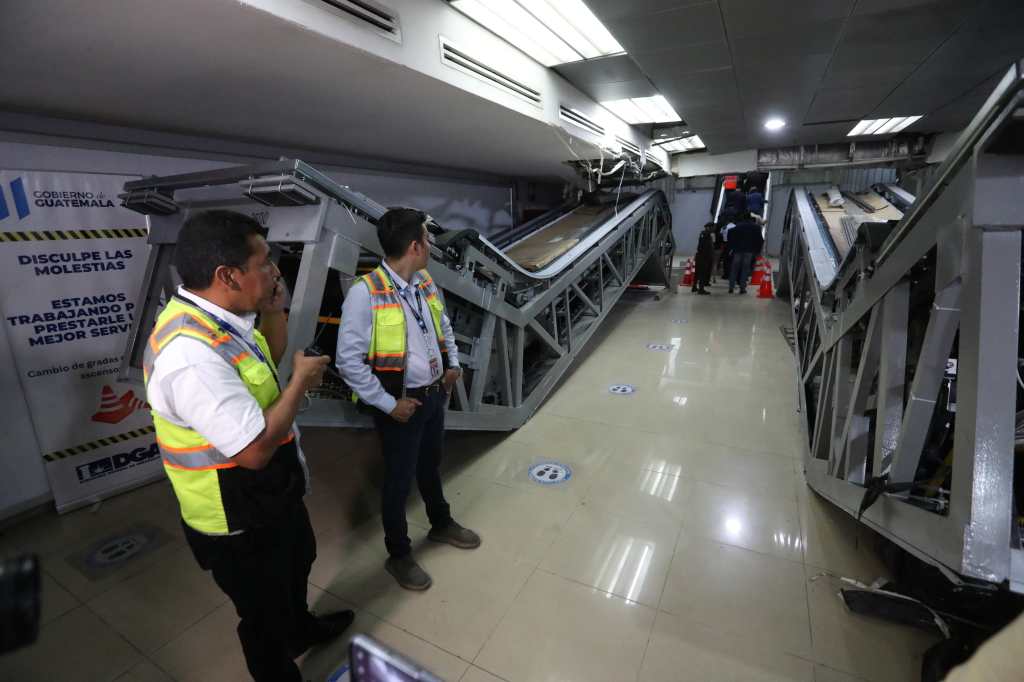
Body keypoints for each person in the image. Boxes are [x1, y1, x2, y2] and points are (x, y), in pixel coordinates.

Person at [144, 210, 353, 682]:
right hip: (235, 513)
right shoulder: (190, 355)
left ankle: (301, 630)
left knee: (299, 560)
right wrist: (300, 383)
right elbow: (254, 451)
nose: (275, 271)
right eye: (264, 263)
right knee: (262, 614)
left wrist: (274, 310)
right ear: (227, 275)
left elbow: (265, 362)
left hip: (268, 495)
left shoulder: (222, 320)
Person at [337, 207, 481, 591]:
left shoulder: (424, 281)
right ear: (415, 245)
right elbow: (348, 362)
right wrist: (388, 405)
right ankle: (399, 555)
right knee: (398, 482)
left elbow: (442, 323)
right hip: (401, 406)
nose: (431, 245)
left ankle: (441, 523)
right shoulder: (363, 294)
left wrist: (452, 363)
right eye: (427, 239)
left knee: (431, 465)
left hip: (434, 395)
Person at [727, 212, 764, 294]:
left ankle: (731, 287)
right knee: (745, 270)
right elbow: (760, 240)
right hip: (749, 251)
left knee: (734, 269)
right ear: (750, 218)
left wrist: (732, 245)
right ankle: (742, 288)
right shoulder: (756, 227)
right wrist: (757, 250)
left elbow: (730, 232)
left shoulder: (738, 226)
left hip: (738, 250)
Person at [692, 222, 714, 294]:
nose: (713, 229)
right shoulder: (707, 235)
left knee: (697, 272)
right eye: (712, 227)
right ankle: (701, 289)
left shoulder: (702, 234)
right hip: (704, 256)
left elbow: (700, 246)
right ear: (709, 227)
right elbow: (706, 247)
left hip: (700, 255)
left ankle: (694, 287)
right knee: (702, 273)